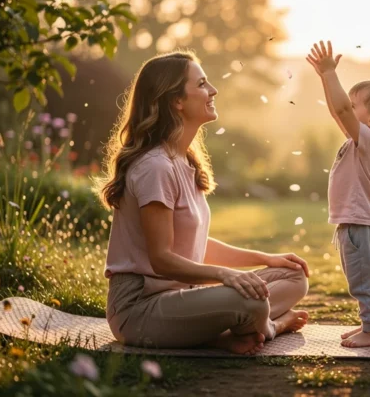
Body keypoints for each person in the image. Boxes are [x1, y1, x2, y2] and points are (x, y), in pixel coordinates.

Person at [95, 51, 310, 355]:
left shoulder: (183, 162)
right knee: (251, 301)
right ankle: (271, 326)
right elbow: (161, 259)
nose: (213, 90)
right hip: (139, 310)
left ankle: (225, 332)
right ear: (176, 101)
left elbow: (193, 246)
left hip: (183, 299)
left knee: (294, 276)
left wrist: (266, 258)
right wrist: (224, 275)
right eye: (202, 84)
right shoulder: (155, 167)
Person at [306, 40, 370, 348]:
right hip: (357, 224)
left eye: (355, 107)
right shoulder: (359, 141)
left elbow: (341, 110)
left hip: (363, 227)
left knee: (365, 284)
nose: (347, 112)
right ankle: (367, 325)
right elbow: (337, 112)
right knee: (360, 282)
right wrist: (324, 79)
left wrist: (330, 73)